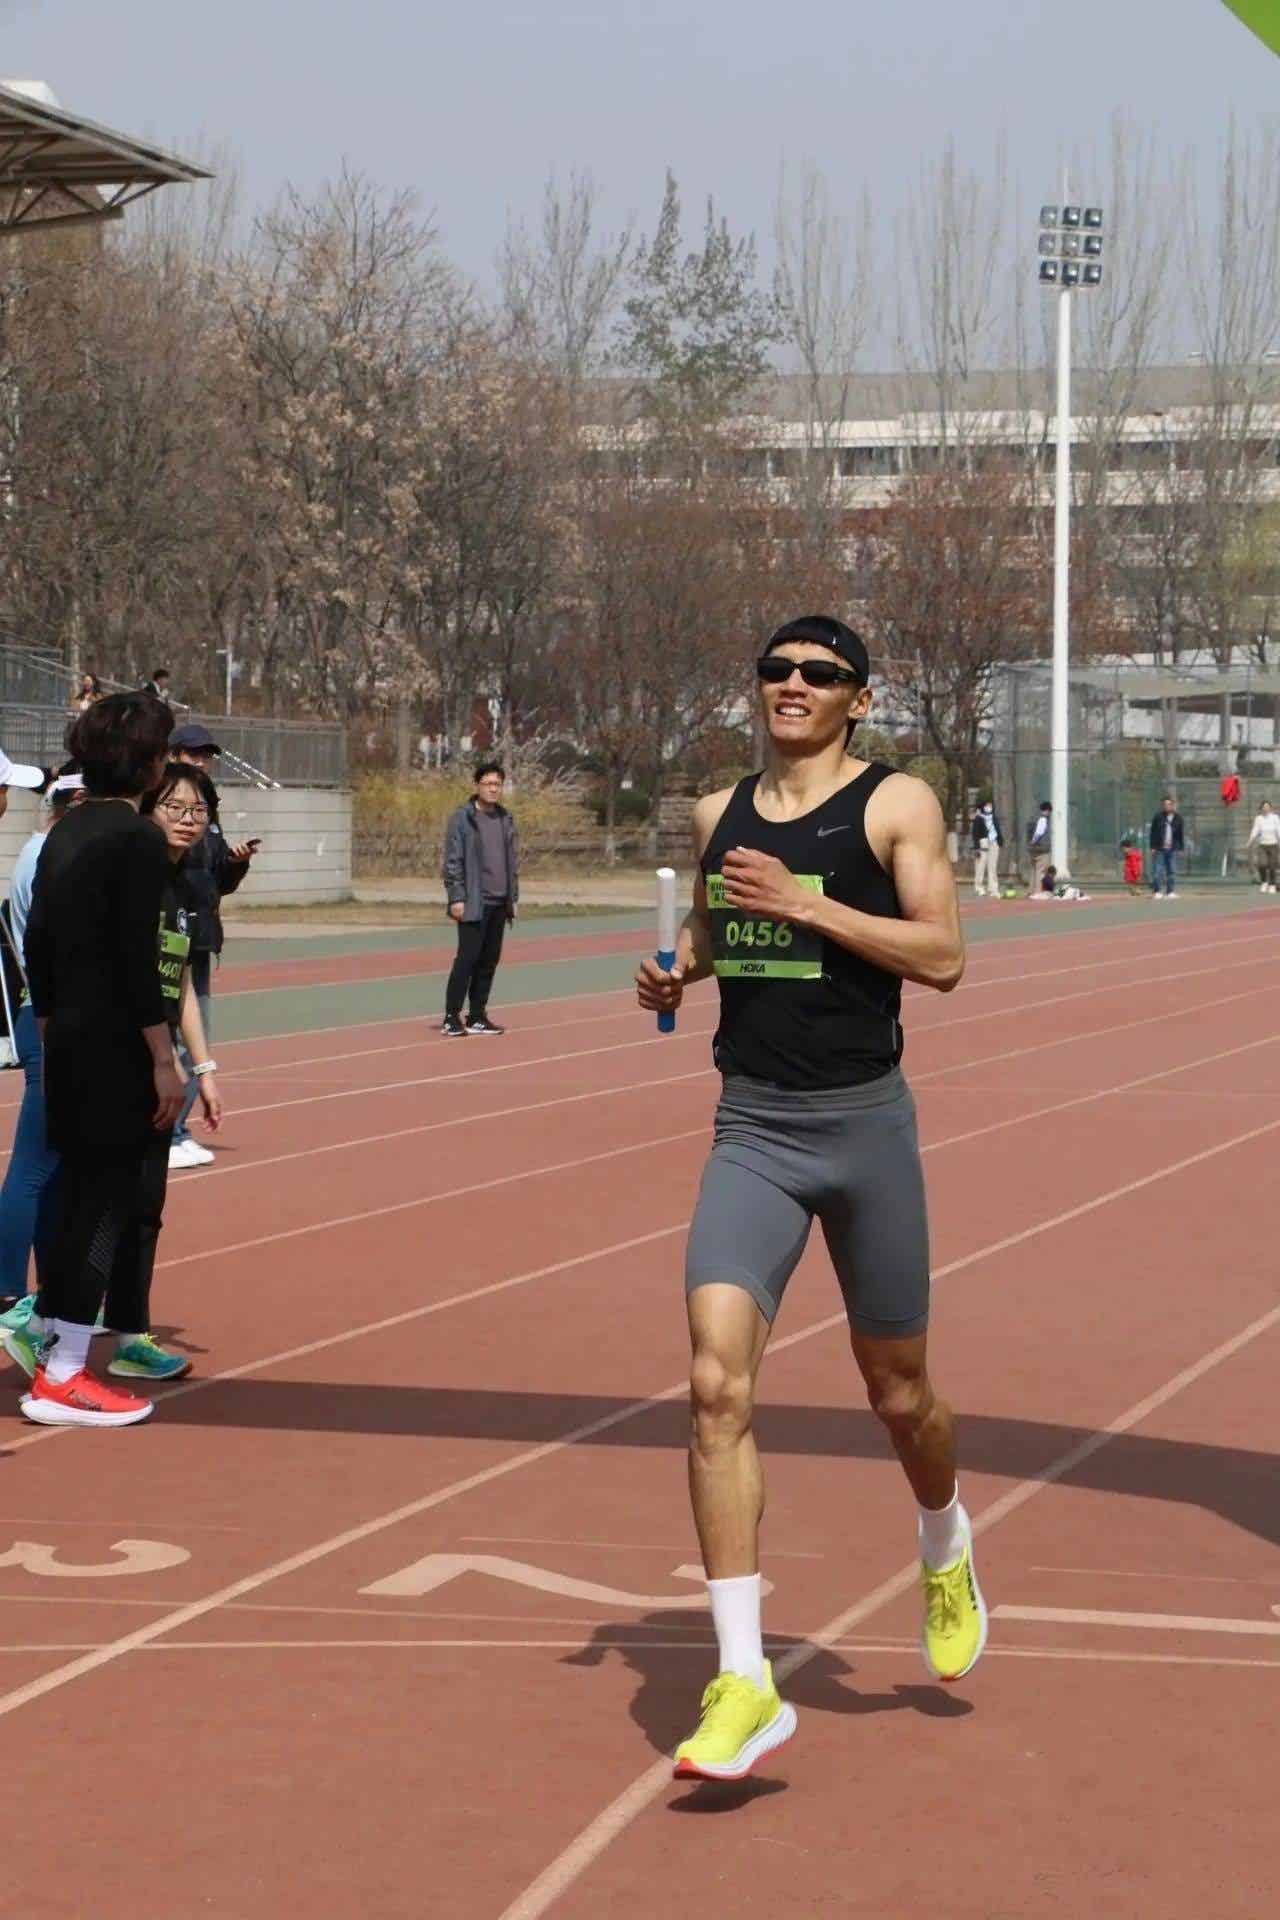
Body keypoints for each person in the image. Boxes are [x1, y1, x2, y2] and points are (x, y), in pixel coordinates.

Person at [635, 613, 980, 1784]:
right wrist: (680, 967)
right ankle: (743, 1678)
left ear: (855, 699)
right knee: (712, 1384)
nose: (791, 685)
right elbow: (716, 930)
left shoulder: (894, 804)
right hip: (753, 1130)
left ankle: (941, 1536)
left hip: (864, 1130)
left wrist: (806, 904)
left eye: (818, 674)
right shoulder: (715, 814)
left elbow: (941, 956)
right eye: (775, 669)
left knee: (898, 1393)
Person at [19, 700, 221, 1426]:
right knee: (107, 1205)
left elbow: (36, 941)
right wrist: (164, 1058)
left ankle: (54, 1353)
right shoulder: (135, 839)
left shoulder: (65, 831)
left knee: (75, 1198)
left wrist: (51, 1027)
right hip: (115, 1047)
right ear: (147, 762)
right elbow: (139, 961)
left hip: (68, 1040)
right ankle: (65, 1376)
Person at [0, 765, 84, 1326]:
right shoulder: (48, 858)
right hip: (51, 1019)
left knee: (51, 1166)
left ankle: (49, 1295)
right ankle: (9, 1290)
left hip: (48, 1015)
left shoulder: (42, 852)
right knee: (35, 1165)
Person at [167, 722, 256, 1168]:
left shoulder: (209, 813)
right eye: (194, 754)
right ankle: (167, 1133)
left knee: (195, 1040)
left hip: (199, 941)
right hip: (170, 939)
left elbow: (218, 881)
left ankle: (176, 1130)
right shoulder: (165, 812)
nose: (202, 761)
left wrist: (236, 864)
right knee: (169, 1042)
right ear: (174, 756)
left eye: (207, 755)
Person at [441, 762, 519, 1038]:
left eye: (497, 784)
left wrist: (513, 897)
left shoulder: (505, 818)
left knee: (489, 961)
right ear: (477, 786)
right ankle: (451, 1016)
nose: (493, 789)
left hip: (499, 902)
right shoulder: (463, 818)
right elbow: (453, 861)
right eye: (488, 783)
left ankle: (477, 1015)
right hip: (474, 901)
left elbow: (512, 862)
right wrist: (456, 897)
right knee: (467, 959)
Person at [1149, 795, 1184, 899]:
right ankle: (1157, 891)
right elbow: (1153, 832)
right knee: (1158, 870)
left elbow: (1180, 834)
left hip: (1172, 848)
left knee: (1171, 870)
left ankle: (1170, 891)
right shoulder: (1158, 817)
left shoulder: (1178, 818)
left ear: (1172, 805)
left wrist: (1181, 848)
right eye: (1164, 804)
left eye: (1169, 804)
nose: (1166, 806)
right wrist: (1153, 846)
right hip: (1160, 848)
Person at [970, 798, 1004, 897]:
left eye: (990, 805)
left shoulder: (994, 818)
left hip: (994, 842)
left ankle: (993, 888)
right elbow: (975, 834)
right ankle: (979, 887)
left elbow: (998, 829)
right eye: (987, 805)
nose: (989, 807)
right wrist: (976, 847)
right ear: (983, 807)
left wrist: (1000, 841)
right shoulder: (979, 818)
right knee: (980, 865)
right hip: (983, 842)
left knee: (993, 866)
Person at [1247, 798, 1280, 892]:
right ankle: (1264, 882)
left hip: (1273, 845)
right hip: (1262, 845)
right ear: (1261, 808)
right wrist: (1250, 841)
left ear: (1270, 808)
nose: (1266, 809)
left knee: (1272, 866)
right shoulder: (1259, 819)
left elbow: (1278, 830)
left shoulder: (1275, 818)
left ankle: (1272, 884)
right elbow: (1255, 830)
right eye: (1264, 807)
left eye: (1267, 807)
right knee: (1262, 864)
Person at [1025, 800, 1052, 896]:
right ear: (1048, 810)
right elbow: (1039, 832)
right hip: (1041, 849)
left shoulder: (1033, 818)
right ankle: (1037, 891)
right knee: (1040, 871)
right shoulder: (1043, 819)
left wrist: (1030, 844)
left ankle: (1030, 890)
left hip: (1032, 850)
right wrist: (1034, 841)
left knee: (1033, 870)